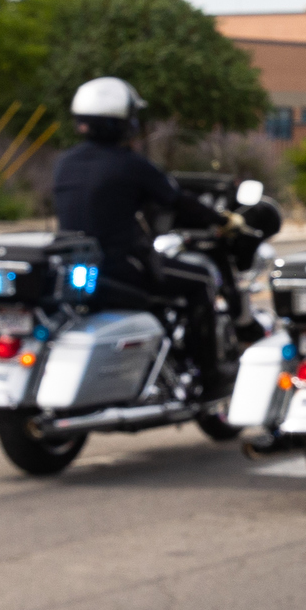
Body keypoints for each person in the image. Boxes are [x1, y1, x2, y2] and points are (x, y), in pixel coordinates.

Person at [50, 76, 232, 396]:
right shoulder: (131, 165)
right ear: (121, 123)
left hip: (75, 267)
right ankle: (210, 377)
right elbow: (177, 202)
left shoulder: (65, 163)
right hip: (120, 267)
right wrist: (221, 220)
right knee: (201, 278)